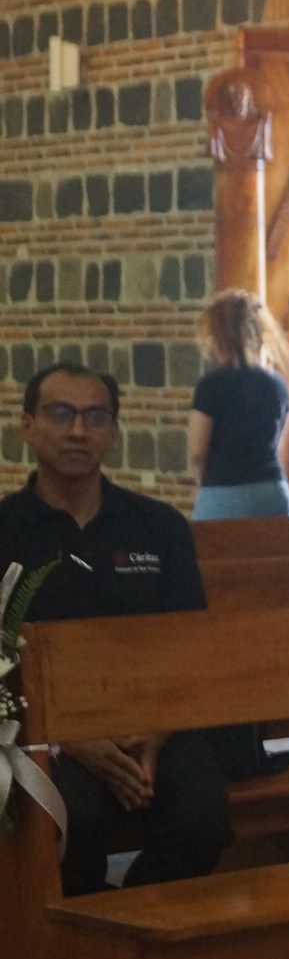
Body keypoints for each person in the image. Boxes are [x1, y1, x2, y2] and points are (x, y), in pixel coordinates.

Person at [2, 364, 257, 896]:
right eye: (60, 414)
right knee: (71, 822)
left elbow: (189, 644)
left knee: (204, 818)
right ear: (27, 425)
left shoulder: (158, 527)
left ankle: (130, 926)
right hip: (42, 732)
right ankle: (90, 936)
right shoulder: (7, 529)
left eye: (95, 417)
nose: (78, 431)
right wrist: (68, 740)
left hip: (153, 719)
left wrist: (155, 733)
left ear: (114, 431)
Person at [187, 290, 289, 520]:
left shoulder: (211, 386)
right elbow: (277, 446)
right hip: (273, 491)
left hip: (222, 494)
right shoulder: (277, 384)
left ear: (216, 335)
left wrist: (206, 487)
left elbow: (196, 453)